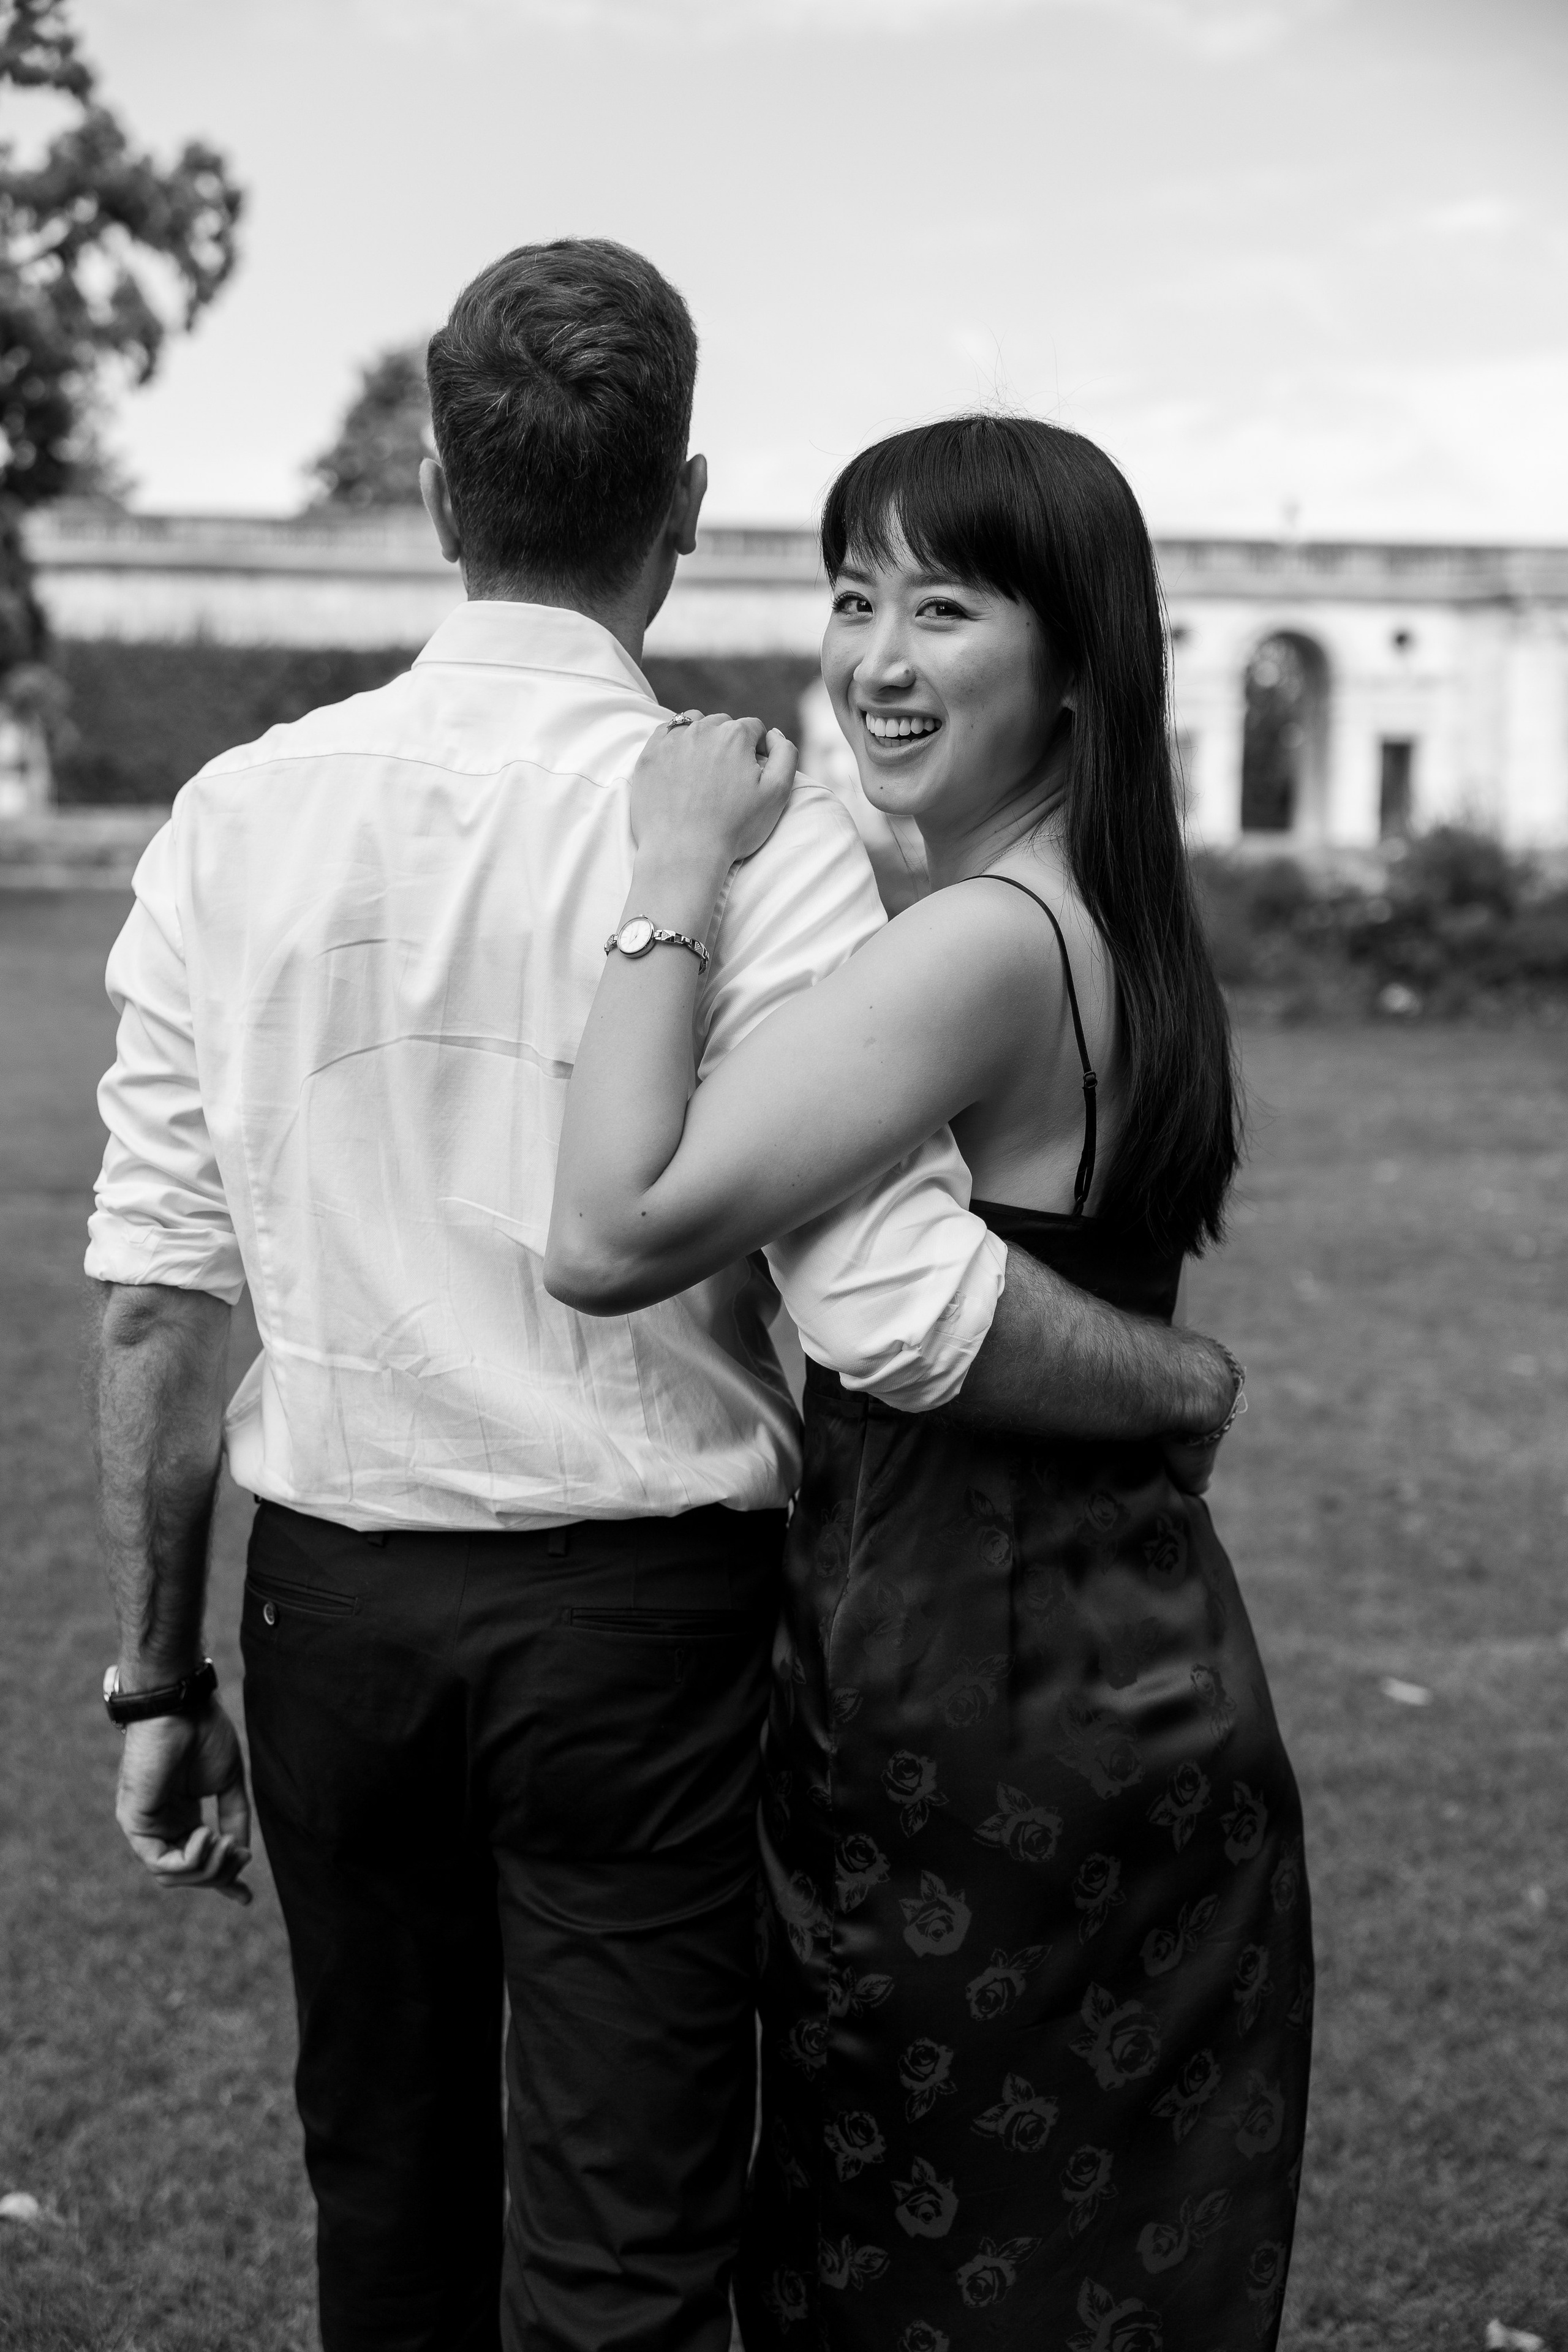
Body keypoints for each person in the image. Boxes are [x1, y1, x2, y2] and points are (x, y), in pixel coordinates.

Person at [86, 244, 1243, 2352]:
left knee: (390, 2198)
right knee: (627, 2253)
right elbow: (890, 1304)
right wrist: (1179, 1374)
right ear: (686, 506)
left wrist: (162, 1683)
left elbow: (164, 1304)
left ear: (440, 493)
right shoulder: (766, 833)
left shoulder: (230, 820)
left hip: (328, 1610)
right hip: (643, 1631)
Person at [546, 415, 1313, 2350]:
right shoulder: (1116, 913)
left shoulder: (977, 944)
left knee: (916, 2267)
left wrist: (672, 871)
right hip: (1124, 1655)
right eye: (853, 595)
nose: (876, 658)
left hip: (980, 1707)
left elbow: (616, 1224)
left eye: (946, 606)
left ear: (1074, 659)